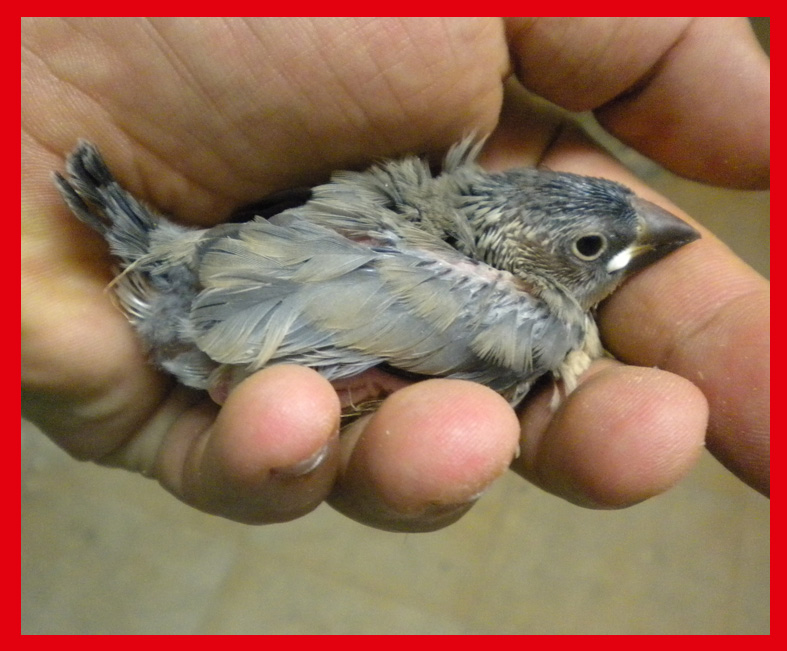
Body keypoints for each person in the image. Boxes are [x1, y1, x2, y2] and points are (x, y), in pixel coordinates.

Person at [21, 18, 769, 531]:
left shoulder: (440, 197)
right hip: (209, 319)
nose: (647, 237)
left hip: (216, 277)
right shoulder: (528, 317)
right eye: (589, 247)